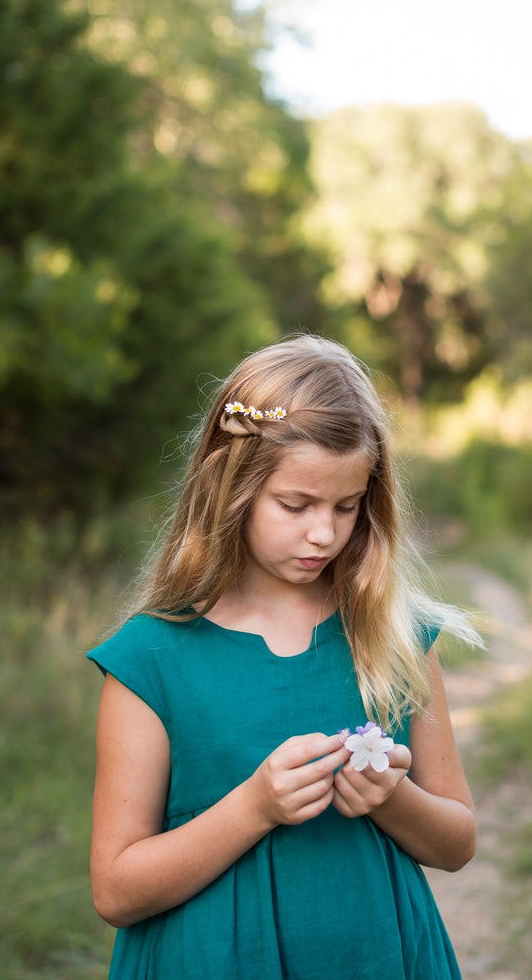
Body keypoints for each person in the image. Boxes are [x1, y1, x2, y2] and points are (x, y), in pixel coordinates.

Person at [87, 335, 481, 980]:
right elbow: (115, 890)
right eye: (296, 505)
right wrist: (253, 809)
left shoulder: (396, 638)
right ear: (231, 490)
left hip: (374, 957)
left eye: (347, 506)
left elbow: (458, 844)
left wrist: (392, 799)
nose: (324, 532)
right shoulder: (151, 660)